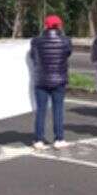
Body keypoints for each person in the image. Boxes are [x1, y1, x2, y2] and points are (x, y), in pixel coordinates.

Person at [31, 14, 72, 149]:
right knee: (58, 109)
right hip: (59, 79)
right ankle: (59, 139)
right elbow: (68, 53)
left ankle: (38, 139)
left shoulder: (36, 41)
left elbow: (33, 57)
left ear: (45, 26)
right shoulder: (65, 41)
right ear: (59, 25)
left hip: (41, 80)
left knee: (41, 110)